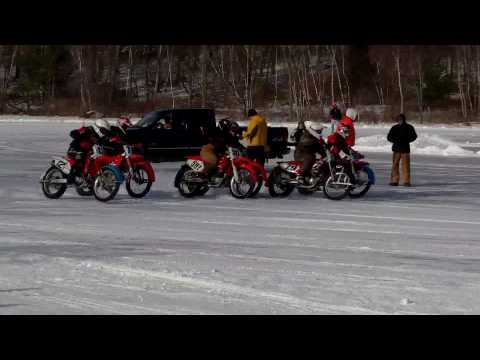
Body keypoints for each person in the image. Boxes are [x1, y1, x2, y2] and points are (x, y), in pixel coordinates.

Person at [387, 114, 417, 187]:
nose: (400, 120)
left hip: (405, 150)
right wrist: (395, 140)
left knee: (406, 166)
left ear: (404, 119)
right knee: (395, 166)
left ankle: (406, 181)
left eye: (401, 119)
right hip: (396, 150)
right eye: (399, 119)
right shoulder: (394, 127)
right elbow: (389, 137)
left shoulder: (409, 127)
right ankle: (395, 181)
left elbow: (414, 136)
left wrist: (406, 140)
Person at [296, 120, 327, 185]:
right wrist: (317, 142)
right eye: (319, 131)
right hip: (301, 154)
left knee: (319, 162)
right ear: (314, 131)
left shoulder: (315, 137)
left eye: (320, 131)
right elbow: (306, 142)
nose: (320, 132)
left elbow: (319, 147)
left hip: (308, 153)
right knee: (311, 157)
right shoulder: (306, 135)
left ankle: (315, 179)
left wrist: (325, 151)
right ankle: (301, 175)